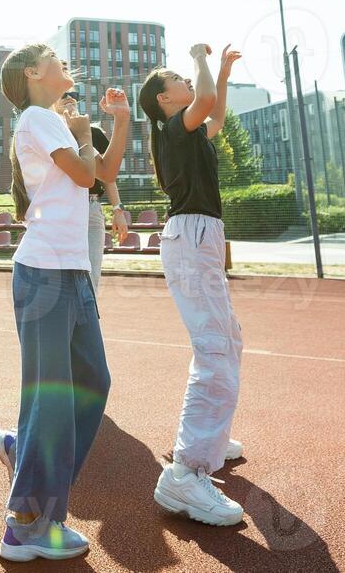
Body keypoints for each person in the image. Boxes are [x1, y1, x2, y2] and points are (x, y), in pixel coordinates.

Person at [0, 44, 128, 562]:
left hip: (71, 272)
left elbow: (105, 170)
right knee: (50, 398)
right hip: (45, 272)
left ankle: (22, 453)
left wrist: (119, 121)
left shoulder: (52, 122)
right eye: (52, 56)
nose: (63, 60)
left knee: (94, 382)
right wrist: (80, 132)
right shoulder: (35, 118)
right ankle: (26, 523)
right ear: (32, 74)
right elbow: (87, 176)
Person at [137, 43, 247, 526]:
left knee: (228, 340)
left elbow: (214, 111)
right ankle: (188, 470)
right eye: (177, 79)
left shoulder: (189, 133)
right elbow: (201, 103)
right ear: (165, 100)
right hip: (192, 233)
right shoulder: (171, 127)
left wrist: (220, 72)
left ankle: (210, 440)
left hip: (201, 232)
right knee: (214, 347)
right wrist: (200, 58)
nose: (187, 81)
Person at [53, 84, 130, 295]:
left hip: (92, 207)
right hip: (63, 208)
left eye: (73, 95)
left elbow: (107, 175)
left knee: (91, 275)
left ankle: (87, 324)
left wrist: (117, 210)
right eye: (63, 94)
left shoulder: (93, 132)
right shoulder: (53, 132)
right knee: (64, 276)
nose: (69, 97)